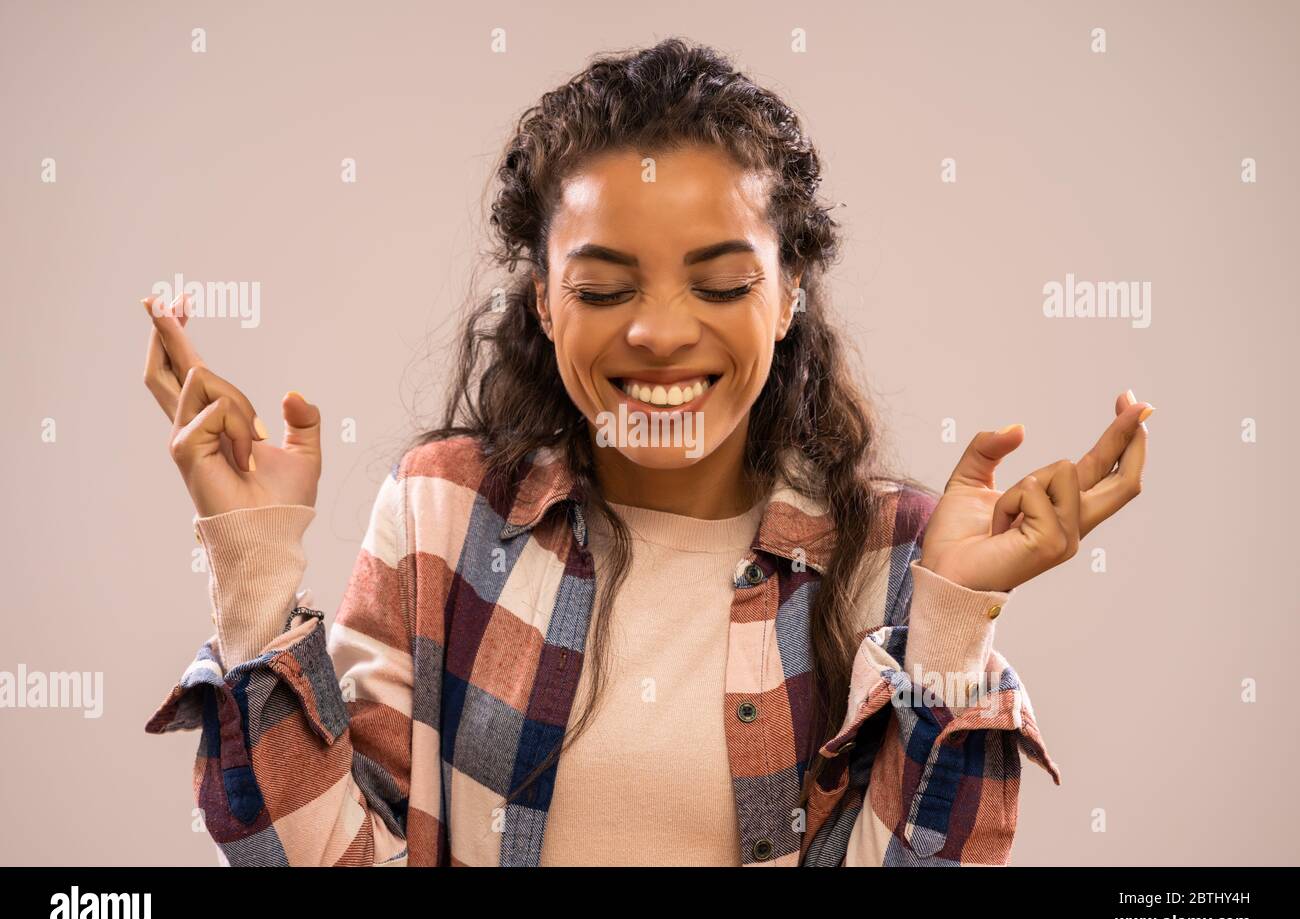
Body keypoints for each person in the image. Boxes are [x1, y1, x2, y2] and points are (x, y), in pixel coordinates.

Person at [139, 38, 1151, 867]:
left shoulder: (892, 551)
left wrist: (951, 627)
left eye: (716, 284)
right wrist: (252, 561)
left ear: (789, 291)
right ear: (542, 298)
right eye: (604, 287)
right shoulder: (443, 512)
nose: (660, 333)